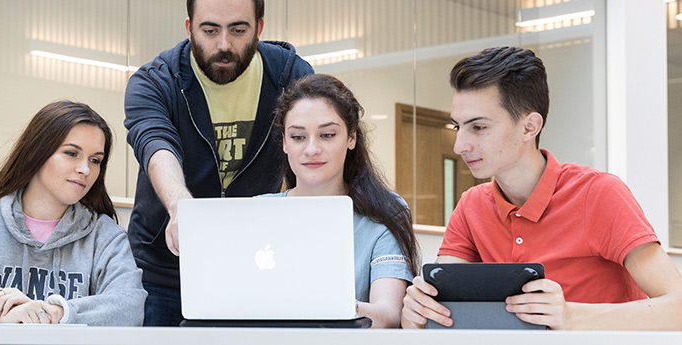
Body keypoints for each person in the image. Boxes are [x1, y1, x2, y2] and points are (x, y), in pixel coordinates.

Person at [400, 46, 682, 330]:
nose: (459, 146)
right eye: (457, 127)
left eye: (479, 128)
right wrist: (418, 311)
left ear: (529, 127)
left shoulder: (599, 193)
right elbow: (441, 306)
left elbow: (677, 308)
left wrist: (570, 316)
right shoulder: (472, 205)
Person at [124, 0, 313, 326]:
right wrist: (180, 206)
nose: (224, 45)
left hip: (251, 267)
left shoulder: (291, 77)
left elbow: (317, 148)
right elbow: (156, 145)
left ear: (260, 28)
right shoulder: (156, 81)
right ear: (189, 28)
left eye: (238, 30)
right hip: (163, 274)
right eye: (209, 30)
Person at [0, 101, 146, 326]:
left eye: (95, 160)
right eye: (72, 153)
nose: (85, 169)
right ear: (37, 151)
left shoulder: (105, 235)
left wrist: (55, 312)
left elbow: (130, 307)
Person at [258, 74, 420, 328]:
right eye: (298, 137)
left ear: (351, 138)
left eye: (327, 135)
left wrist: (314, 303)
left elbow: (388, 316)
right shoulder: (256, 211)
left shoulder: (385, 212)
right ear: (285, 143)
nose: (311, 149)